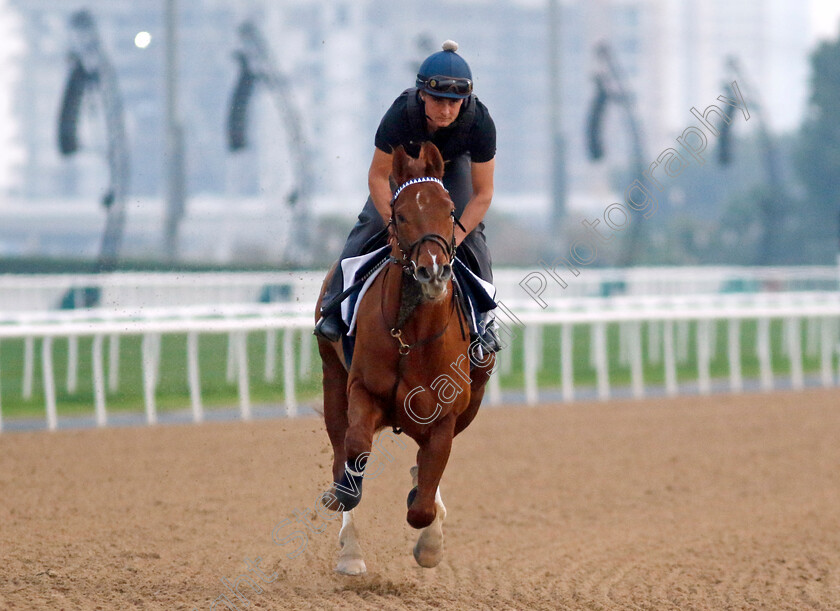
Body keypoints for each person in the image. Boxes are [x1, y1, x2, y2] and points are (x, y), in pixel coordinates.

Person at [315, 40, 499, 350]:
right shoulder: (400, 114)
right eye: (438, 100)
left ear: (466, 101)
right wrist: (391, 223)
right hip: (405, 171)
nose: (446, 110)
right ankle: (333, 306)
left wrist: (456, 232)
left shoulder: (480, 122)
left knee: (474, 237)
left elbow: (483, 194)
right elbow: (376, 175)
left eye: (454, 103)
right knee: (369, 224)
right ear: (423, 95)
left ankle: (485, 320)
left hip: (452, 171)